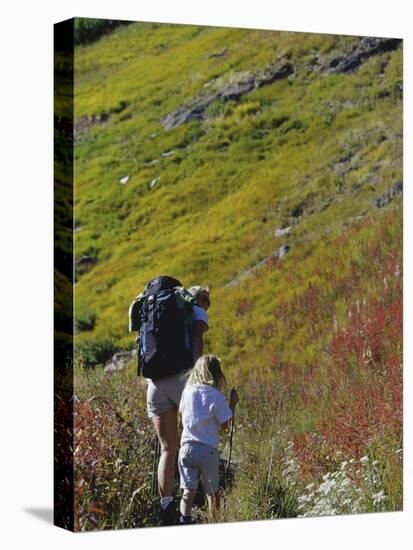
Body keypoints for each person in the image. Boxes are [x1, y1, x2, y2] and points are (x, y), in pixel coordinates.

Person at [146, 284, 210, 526]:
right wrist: (199, 375)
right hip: (183, 378)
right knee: (195, 439)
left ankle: (166, 506)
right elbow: (197, 339)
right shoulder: (195, 309)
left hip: (154, 383)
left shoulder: (155, 314)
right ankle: (190, 506)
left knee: (167, 449)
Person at [177, 354, 239, 524]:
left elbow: (182, 413)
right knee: (213, 492)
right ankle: (214, 522)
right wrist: (232, 404)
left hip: (186, 448)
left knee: (188, 491)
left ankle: (184, 520)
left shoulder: (187, 392)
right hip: (207, 450)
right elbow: (226, 425)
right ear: (216, 373)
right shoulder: (215, 395)